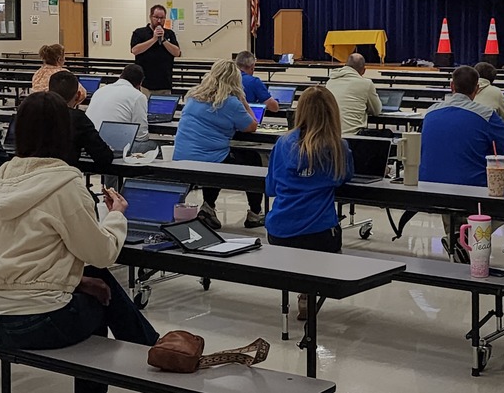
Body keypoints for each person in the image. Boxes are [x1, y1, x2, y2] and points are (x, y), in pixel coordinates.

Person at [0, 92, 159, 393]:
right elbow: (101, 253)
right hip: (39, 321)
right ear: (65, 132)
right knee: (103, 299)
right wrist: (116, 216)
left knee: (97, 282)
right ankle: (155, 353)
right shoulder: (65, 186)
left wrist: (79, 281)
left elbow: (24, 256)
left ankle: (155, 347)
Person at [266, 87, 354, 320]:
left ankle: (302, 289)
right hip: (319, 236)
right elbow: (344, 177)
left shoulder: (282, 143)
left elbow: (271, 188)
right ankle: (308, 293)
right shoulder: (338, 147)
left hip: (279, 233)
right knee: (324, 237)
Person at [419, 66, 504, 260]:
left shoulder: (430, 112)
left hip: (428, 184)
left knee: (450, 179)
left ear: (451, 86)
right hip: (469, 186)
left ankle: (455, 237)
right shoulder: (485, 115)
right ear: (476, 90)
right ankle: (466, 237)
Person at [172, 60, 262, 230]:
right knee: (253, 159)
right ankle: (255, 213)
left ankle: (209, 207)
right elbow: (252, 125)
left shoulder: (193, 96)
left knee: (219, 157)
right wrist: (242, 99)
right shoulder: (231, 102)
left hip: (181, 156)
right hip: (209, 158)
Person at [86, 64, 156, 154]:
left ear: (121, 76)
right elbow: (141, 136)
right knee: (153, 146)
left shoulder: (100, 90)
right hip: (114, 147)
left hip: (90, 142)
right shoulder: (138, 96)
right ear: (140, 84)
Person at [48, 71, 113, 169]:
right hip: (63, 176)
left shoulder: (32, 113)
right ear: (78, 95)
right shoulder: (78, 119)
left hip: (27, 177)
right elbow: (103, 157)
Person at [130, 4, 181, 96]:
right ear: (150, 17)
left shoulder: (169, 34)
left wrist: (164, 40)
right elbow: (135, 50)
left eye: (162, 18)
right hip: (145, 82)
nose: (159, 21)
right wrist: (153, 39)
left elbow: (177, 52)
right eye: (156, 17)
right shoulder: (139, 33)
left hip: (165, 82)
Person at [325, 53, 382, 135]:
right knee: (387, 134)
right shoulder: (366, 84)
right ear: (364, 70)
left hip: (331, 135)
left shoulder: (330, 81)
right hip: (354, 136)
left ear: (345, 65)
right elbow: (377, 111)